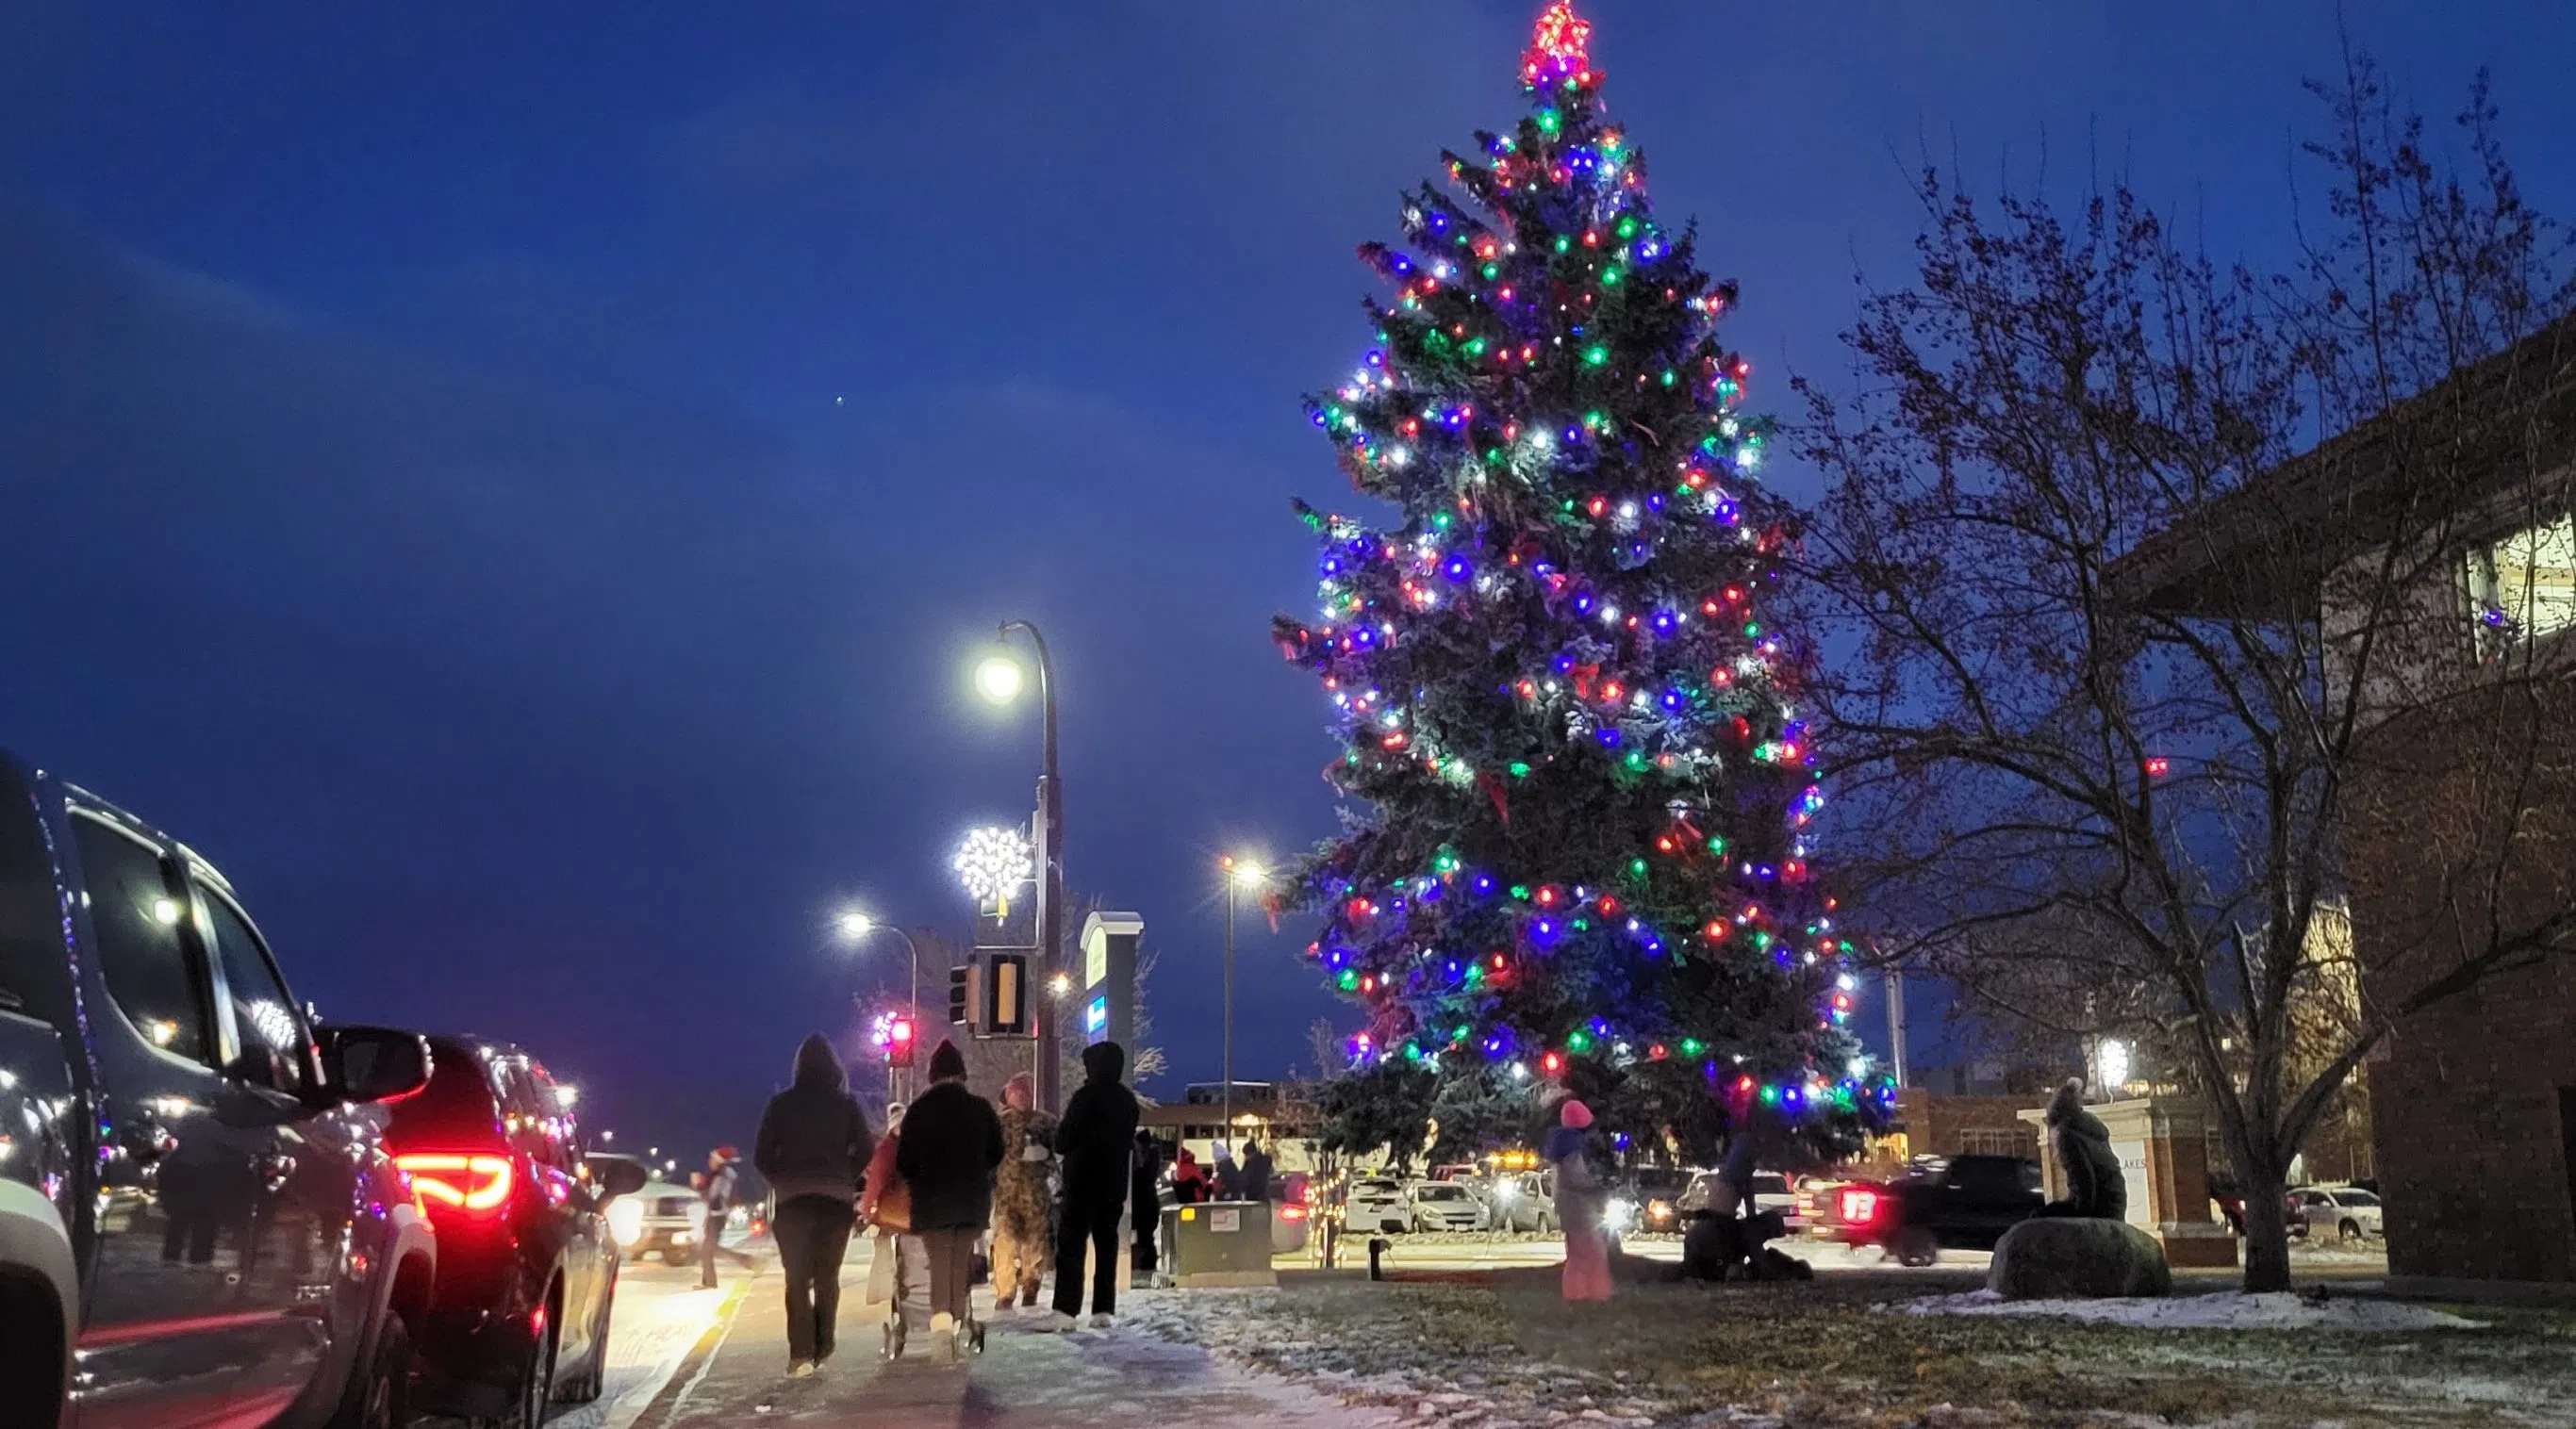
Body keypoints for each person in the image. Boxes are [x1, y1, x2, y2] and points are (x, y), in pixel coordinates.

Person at [753, 1033, 875, 1377]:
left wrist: (783, 1180)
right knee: (827, 1277)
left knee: (796, 1279)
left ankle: (800, 1354)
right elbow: (866, 1147)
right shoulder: (847, 1105)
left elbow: (762, 1156)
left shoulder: (780, 1105)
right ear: (833, 1067)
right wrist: (844, 1176)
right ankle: (824, 1343)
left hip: (793, 1204)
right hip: (835, 1203)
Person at [893, 1041, 1002, 1363]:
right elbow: (996, 1153)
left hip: (932, 1201)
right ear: (961, 1073)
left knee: (940, 1263)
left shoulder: (918, 1111)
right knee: (960, 1263)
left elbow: (905, 1162)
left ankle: (941, 1327)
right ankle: (952, 1324)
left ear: (932, 1074)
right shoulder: (980, 1108)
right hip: (971, 1199)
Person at [1046, 1041, 1141, 1329]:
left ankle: (1066, 1310)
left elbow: (1062, 1140)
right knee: (1107, 1243)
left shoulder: (1085, 1097)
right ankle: (1103, 1309)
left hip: (1082, 1181)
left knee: (1072, 1245)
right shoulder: (1127, 1101)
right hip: (1113, 1183)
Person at [989, 1073, 1056, 1314]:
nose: (1020, 1097)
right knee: (1004, 1242)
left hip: (1036, 1195)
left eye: (1024, 1093)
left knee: (1035, 1244)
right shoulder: (999, 1123)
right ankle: (1005, 1292)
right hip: (1006, 1195)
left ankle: (1031, 1287)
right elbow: (989, 1156)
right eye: (1015, 1093)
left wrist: (1046, 1158)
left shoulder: (1045, 1122)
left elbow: (1059, 1152)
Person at [1544, 1099, 1612, 1302]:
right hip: (1580, 1208)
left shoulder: (1559, 1145)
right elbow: (1577, 1177)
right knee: (1593, 1252)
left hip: (1567, 1208)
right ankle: (1594, 1294)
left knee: (1576, 1254)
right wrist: (1597, 1186)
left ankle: (1575, 1293)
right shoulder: (1572, 1146)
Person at [2038, 1077, 2126, 1220]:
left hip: (2098, 1208)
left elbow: (2084, 1183)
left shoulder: (2068, 1136)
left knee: (2038, 1217)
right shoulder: (2091, 1130)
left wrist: (2079, 1217)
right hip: (2115, 1204)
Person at [858, 1103, 910, 1310]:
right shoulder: (919, 1145)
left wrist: (867, 1210)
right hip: (915, 1211)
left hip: (891, 1212)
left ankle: (882, 1290)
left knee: (882, 1243)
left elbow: (876, 1181)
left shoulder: (886, 1149)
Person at [698, 1145, 743, 1289]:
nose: (710, 1161)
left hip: (716, 1216)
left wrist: (699, 1186)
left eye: (712, 1158)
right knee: (710, 1249)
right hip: (718, 1215)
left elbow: (714, 1197)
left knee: (707, 1250)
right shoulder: (724, 1175)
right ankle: (749, 1262)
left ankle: (710, 1282)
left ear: (718, 1160)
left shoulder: (720, 1176)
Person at [1129, 1130, 1164, 1276]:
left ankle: (1142, 1266)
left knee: (1141, 1239)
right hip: (1149, 1204)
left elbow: (1138, 1178)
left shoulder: (1141, 1161)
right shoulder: (1153, 1157)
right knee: (1146, 1238)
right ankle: (1147, 1266)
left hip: (1141, 1204)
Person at [1237, 1137, 1275, 1204]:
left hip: (1254, 1198)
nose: (1245, 1157)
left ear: (1249, 1154)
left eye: (1246, 1155)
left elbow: (1245, 1180)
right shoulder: (1263, 1161)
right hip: (1264, 1197)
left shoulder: (1251, 1165)